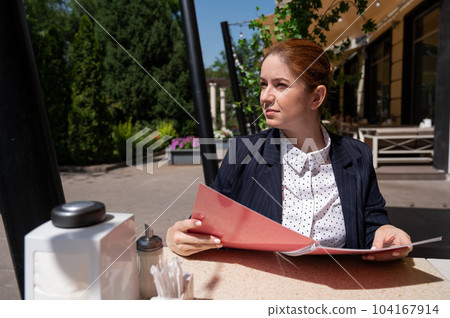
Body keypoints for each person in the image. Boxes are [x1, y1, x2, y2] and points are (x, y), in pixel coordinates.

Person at [167, 39, 412, 261]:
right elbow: (204, 228)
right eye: (264, 85)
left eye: (280, 85)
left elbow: (373, 224)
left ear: (316, 98)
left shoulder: (357, 156)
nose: (265, 96)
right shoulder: (244, 153)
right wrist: (175, 237)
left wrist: (387, 231)